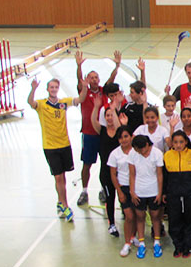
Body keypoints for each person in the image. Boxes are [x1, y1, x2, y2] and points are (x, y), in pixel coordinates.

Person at [28, 78, 88, 222]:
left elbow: (80, 99)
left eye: (56, 87)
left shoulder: (63, 103)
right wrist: (33, 89)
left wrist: (85, 87)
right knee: (58, 177)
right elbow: (31, 102)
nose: (54, 89)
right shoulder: (42, 104)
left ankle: (60, 201)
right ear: (48, 89)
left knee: (63, 178)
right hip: (50, 147)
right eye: (51, 87)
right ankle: (65, 205)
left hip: (65, 145)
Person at [74, 50, 122, 206]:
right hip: (88, 133)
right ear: (88, 79)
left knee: (104, 163)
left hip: (102, 133)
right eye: (91, 77)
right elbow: (78, 79)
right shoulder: (84, 91)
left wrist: (117, 65)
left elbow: (112, 79)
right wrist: (79, 66)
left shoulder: (103, 91)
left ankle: (103, 189)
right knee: (87, 164)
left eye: (96, 77)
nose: (94, 80)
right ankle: (84, 191)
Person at [163, 131, 191, 258]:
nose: (178, 145)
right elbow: (164, 176)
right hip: (173, 193)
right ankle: (178, 245)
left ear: (186, 142)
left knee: (190, 218)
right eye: (175, 142)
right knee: (174, 219)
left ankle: (188, 245)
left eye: (181, 142)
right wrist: (164, 192)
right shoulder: (167, 156)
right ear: (172, 143)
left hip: (189, 192)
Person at [91, 94, 123, 236]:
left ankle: (128, 220)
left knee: (124, 197)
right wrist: (97, 107)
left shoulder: (119, 132)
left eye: (112, 115)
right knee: (110, 198)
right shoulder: (102, 130)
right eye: (107, 116)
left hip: (120, 172)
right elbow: (93, 120)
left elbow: (118, 125)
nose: (110, 118)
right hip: (105, 172)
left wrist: (113, 108)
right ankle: (111, 224)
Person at [128, 135, 164, 259]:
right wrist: (132, 191)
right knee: (140, 217)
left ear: (147, 145)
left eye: (141, 149)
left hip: (153, 191)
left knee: (155, 217)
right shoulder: (133, 154)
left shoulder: (157, 153)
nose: (139, 152)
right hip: (139, 191)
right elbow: (132, 174)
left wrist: (159, 193)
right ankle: (142, 242)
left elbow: (159, 175)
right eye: (137, 150)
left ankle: (157, 242)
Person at [108, 127, 137, 257]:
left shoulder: (137, 151)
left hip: (137, 187)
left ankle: (134, 236)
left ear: (131, 137)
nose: (124, 139)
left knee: (137, 215)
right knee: (129, 216)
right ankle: (126, 243)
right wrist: (119, 192)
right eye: (121, 137)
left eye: (126, 136)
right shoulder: (115, 154)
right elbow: (113, 175)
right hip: (124, 187)